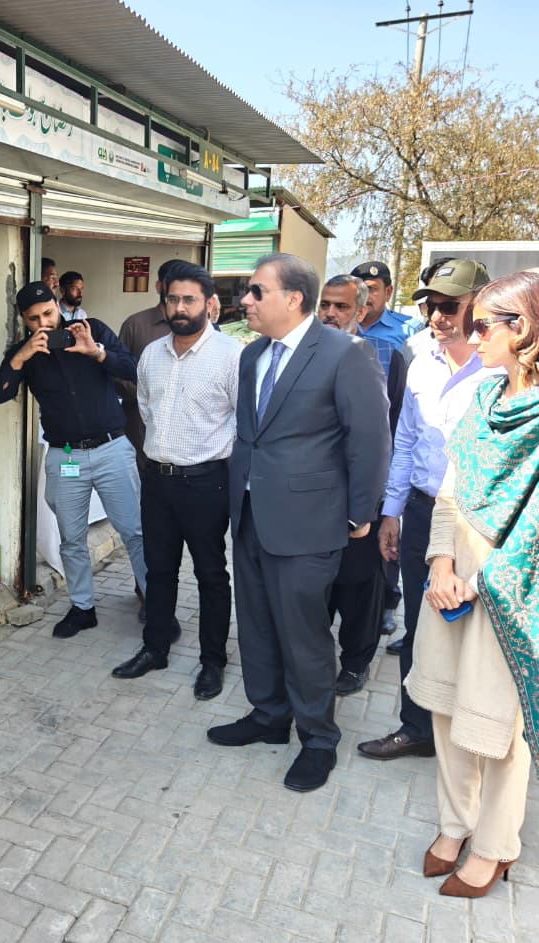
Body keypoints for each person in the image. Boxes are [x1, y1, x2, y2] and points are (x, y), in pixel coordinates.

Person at [409, 271, 539, 897]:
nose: (471, 334)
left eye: (482, 325)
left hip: (515, 589)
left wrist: (480, 582)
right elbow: (452, 487)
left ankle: (496, 846)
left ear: (520, 327)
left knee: (496, 723)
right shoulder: (485, 397)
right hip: (452, 576)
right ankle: (454, 822)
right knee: (445, 708)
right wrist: (441, 564)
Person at [208, 253, 390, 793]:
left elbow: (370, 441)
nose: (245, 301)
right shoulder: (253, 355)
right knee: (258, 625)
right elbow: (252, 435)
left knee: (305, 635)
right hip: (250, 517)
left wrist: (361, 512)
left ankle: (317, 738)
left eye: (256, 292)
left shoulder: (345, 354)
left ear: (292, 299)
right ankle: (268, 716)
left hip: (310, 524)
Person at [359, 259, 498, 761]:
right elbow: (406, 443)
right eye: (429, 305)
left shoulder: (502, 371)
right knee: (421, 629)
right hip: (419, 513)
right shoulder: (421, 362)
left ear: (479, 307)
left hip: (479, 523)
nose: (435, 316)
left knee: (477, 634)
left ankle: (472, 736)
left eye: (448, 306)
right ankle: (416, 726)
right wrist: (391, 513)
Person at [111, 262, 240, 700]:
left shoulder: (232, 356)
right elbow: (145, 408)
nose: (180, 307)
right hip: (158, 481)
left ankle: (212, 661)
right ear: (163, 302)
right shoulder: (151, 354)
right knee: (159, 570)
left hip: (207, 483)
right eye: (172, 299)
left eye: (189, 299)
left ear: (209, 303)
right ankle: (156, 648)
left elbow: (244, 424)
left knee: (210, 574)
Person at [0, 281, 146, 638]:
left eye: (48, 312)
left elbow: (134, 369)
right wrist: (21, 356)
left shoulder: (94, 331)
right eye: (35, 319)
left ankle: (154, 601)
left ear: (58, 304)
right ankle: (82, 608)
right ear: (24, 321)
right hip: (66, 456)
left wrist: (96, 353)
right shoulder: (25, 351)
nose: (44, 322)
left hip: (111, 450)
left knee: (135, 532)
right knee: (71, 538)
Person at [317, 275, 404, 696]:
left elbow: (391, 431)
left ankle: (354, 663)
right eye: (326, 305)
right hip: (314, 497)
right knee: (319, 588)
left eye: (342, 307)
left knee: (358, 587)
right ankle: (315, 660)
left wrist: (376, 504)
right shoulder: (305, 353)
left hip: (361, 496)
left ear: (362, 311)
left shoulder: (384, 353)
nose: (331, 314)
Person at [351, 259, 423, 632]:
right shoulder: (337, 328)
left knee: (385, 525)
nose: (366, 297)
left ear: (388, 292)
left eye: (373, 290)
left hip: (392, 442)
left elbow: (409, 398)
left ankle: (388, 600)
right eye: (359, 290)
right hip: (348, 450)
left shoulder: (408, 331)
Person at [117, 258, 195, 465]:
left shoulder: (201, 329)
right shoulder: (136, 325)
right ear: (159, 286)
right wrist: (148, 395)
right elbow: (116, 375)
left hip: (190, 436)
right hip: (142, 433)